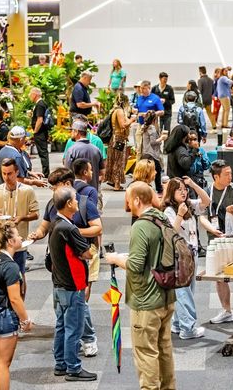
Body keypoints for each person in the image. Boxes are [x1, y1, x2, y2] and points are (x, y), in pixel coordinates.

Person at [104, 182, 176, 390]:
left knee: (146, 354)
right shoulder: (163, 218)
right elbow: (152, 257)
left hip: (146, 301)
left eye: (128, 198)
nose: (126, 202)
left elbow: (135, 265)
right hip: (167, 295)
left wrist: (116, 258)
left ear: (136, 199)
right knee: (164, 349)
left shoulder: (140, 226)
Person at [49, 187, 96, 382]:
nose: (78, 202)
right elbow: (87, 253)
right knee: (73, 328)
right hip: (72, 284)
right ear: (68, 204)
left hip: (59, 283)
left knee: (61, 326)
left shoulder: (56, 224)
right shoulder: (69, 228)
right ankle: (73, 368)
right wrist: (90, 250)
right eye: (75, 199)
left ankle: (61, 363)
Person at [0, 220, 32, 390]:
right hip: (4, 317)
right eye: (18, 235)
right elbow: (15, 299)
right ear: (11, 241)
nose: (21, 237)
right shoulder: (10, 266)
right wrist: (25, 320)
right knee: (4, 363)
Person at [202, 160, 233, 326]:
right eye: (226, 174)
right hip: (216, 238)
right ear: (216, 177)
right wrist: (212, 230)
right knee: (219, 276)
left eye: (231, 173)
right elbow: (202, 216)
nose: (230, 176)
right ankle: (226, 310)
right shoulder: (207, 191)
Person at [163, 177, 210, 339]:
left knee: (188, 290)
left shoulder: (189, 205)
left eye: (184, 189)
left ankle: (177, 323)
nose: (183, 192)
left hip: (192, 253)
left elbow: (206, 200)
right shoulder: (169, 211)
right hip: (179, 256)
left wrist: (193, 184)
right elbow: (170, 233)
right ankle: (188, 328)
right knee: (183, 292)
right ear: (171, 192)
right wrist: (180, 215)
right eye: (179, 190)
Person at [0, 158, 39, 292]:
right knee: (1, 278)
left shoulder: (27, 191)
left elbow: (36, 214)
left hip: (19, 244)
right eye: (4, 173)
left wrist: (22, 217)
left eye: (10, 173)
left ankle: (20, 303)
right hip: (0, 244)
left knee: (20, 276)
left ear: (17, 172)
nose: (6, 177)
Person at [69, 159, 103, 358]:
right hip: (86, 247)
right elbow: (97, 224)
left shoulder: (62, 197)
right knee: (84, 290)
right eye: (91, 169)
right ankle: (88, 336)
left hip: (75, 249)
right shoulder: (89, 193)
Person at [28, 168, 75, 242]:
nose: (54, 192)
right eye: (52, 189)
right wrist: (37, 235)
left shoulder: (84, 203)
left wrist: (73, 232)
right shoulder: (52, 204)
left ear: (67, 184)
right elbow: (44, 227)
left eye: (55, 188)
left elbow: (97, 228)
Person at [105, 92, 136, 191]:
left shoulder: (116, 110)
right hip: (119, 139)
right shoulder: (119, 111)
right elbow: (123, 125)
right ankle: (117, 185)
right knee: (119, 161)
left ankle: (113, 181)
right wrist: (132, 120)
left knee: (114, 159)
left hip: (116, 138)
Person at [64, 120, 105, 190]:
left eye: (72, 131)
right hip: (93, 189)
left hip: (77, 191)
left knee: (83, 201)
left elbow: (66, 171)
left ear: (76, 132)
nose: (71, 133)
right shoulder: (96, 149)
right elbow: (102, 172)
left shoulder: (72, 150)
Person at [140, 111, 167, 194]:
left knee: (149, 171)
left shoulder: (144, 126)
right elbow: (153, 142)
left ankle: (147, 186)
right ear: (155, 119)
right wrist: (162, 138)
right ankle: (159, 188)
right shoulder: (151, 128)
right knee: (157, 170)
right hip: (151, 153)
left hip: (145, 152)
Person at [30, 87, 50, 178]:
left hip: (40, 132)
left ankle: (46, 173)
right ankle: (46, 171)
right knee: (43, 152)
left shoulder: (40, 104)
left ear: (35, 94)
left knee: (43, 152)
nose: (30, 96)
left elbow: (40, 119)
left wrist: (35, 131)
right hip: (42, 132)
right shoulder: (41, 104)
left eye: (31, 94)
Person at [198, 66, 216, 131]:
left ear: (200, 72)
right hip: (209, 99)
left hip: (202, 100)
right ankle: (214, 126)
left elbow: (199, 91)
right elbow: (213, 90)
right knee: (210, 113)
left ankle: (199, 125)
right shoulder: (211, 80)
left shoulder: (200, 80)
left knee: (199, 113)